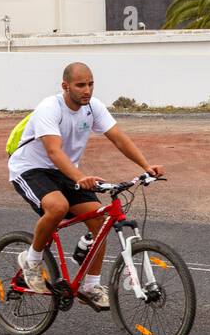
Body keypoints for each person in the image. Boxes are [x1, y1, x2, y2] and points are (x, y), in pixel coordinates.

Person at [8, 62, 164, 310]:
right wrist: (80, 177)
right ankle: (32, 259)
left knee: (100, 222)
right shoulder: (50, 108)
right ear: (65, 86)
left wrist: (146, 166)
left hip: (66, 171)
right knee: (57, 207)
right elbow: (53, 152)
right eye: (80, 85)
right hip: (31, 168)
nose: (87, 90)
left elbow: (119, 139)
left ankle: (90, 285)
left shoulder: (93, 107)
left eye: (90, 84)